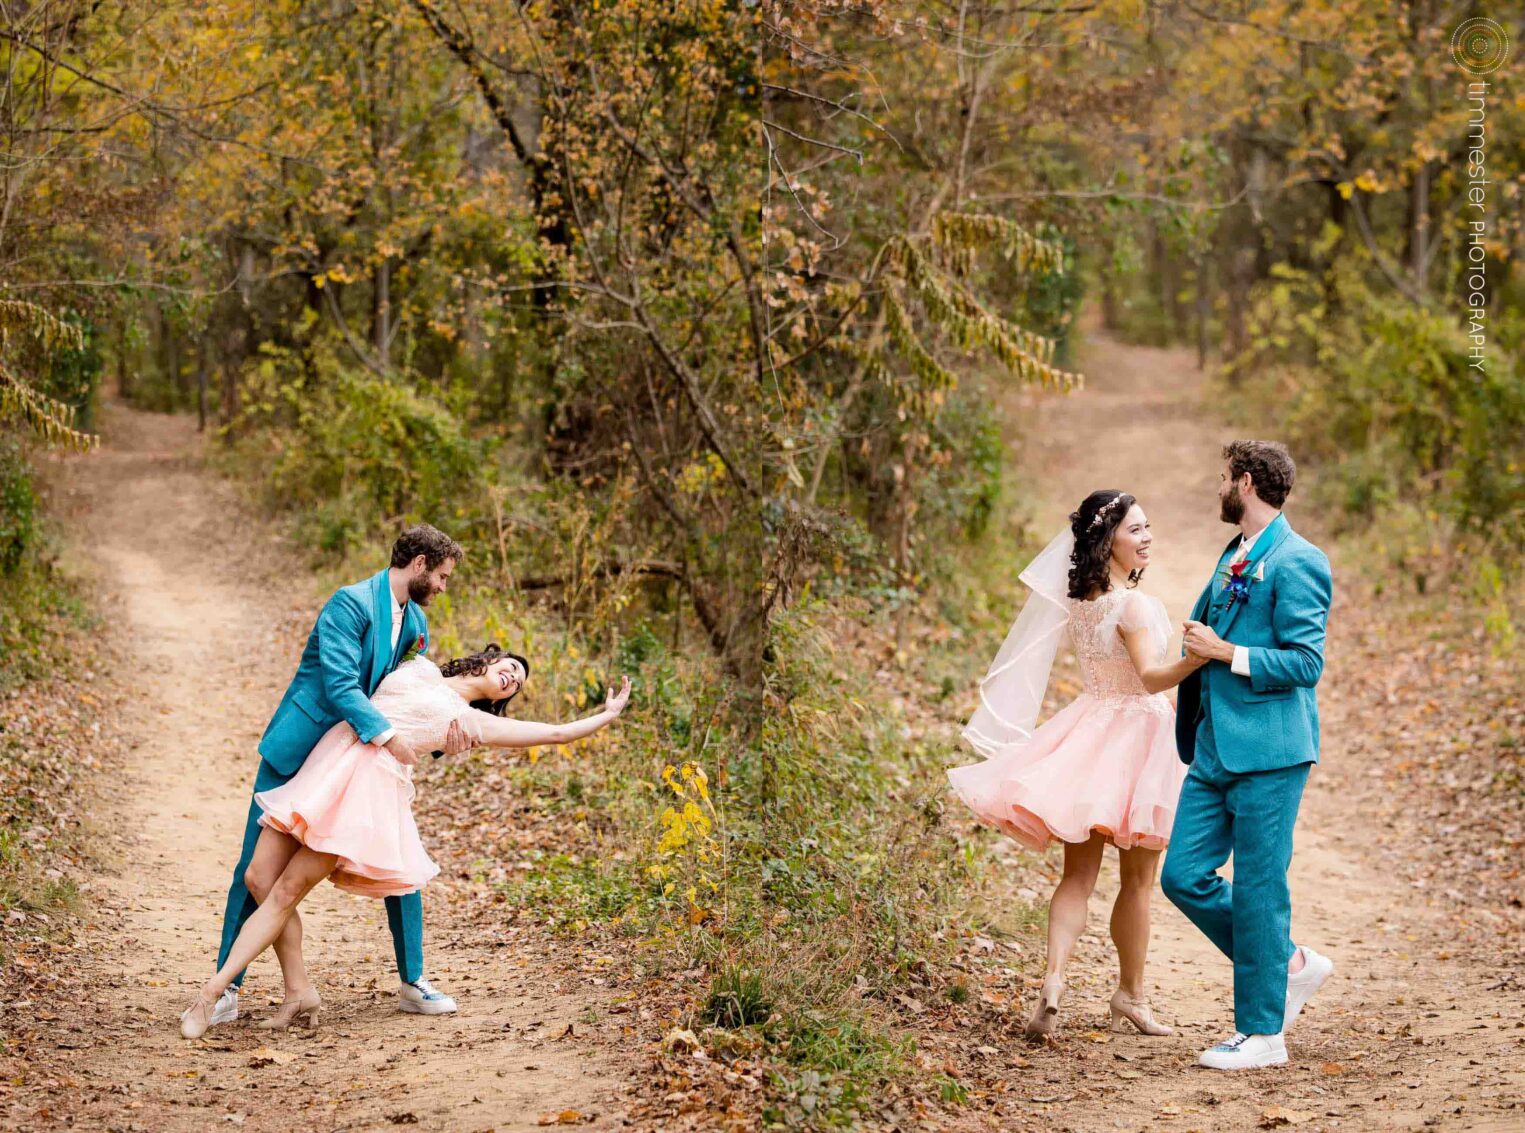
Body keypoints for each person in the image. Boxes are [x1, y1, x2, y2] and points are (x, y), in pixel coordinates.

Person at [181, 644, 632, 1038]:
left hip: (364, 792)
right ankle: (299, 990)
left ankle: (210, 994)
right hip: (329, 760)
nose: (514, 677)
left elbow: (554, 734)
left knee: (284, 891)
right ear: (491, 659)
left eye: (517, 684)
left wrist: (606, 715)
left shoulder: (470, 724)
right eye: (512, 666)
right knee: (260, 877)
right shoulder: (420, 666)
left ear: (503, 698)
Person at [949, 490, 1204, 1038]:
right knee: (1136, 884)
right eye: (1136, 530)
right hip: (1139, 739)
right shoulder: (1133, 606)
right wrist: (1198, 658)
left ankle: (1054, 979)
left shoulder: (1083, 604)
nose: (1147, 538)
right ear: (1107, 538)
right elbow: (1152, 679)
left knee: (1077, 876)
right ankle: (1130, 996)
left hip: (1090, 735)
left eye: (1148, 527)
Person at [207, 524, 472, 1030]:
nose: (442, 586)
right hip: (304, 749)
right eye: (440, 576)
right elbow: (340, 684)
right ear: (418, 564)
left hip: (359, 761)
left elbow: (410, 695)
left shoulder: (416, 624)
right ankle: (228, 989)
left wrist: (441, 736)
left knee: (402, 865)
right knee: (255, 871)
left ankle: (413, 982)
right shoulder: (348, 604)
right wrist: (387, 734)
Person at [1162, 440, 1335, 1071]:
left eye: (1224, 479)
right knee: (1181, 875)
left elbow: (1306, 663)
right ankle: (1288, 963)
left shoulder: (1298, 560)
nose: (1220, 489)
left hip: (1270, 751)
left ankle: (1263, 1035)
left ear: (1245, 482)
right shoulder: (1235, 553)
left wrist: (1225, 653)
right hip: (1213, 746)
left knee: (1261, 890)